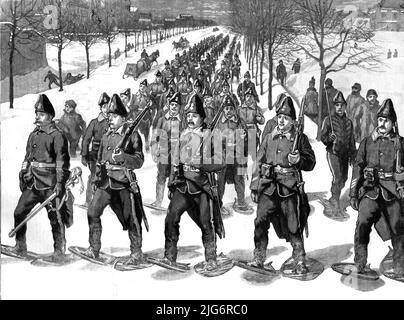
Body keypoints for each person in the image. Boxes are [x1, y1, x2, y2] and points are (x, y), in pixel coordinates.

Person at [250, 96, 316, 273]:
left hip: (288, 188)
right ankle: (259, 257)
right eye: (279, 116)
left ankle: (300, 259)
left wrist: (299, 160)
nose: (281, 120)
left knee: (293, 224)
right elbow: (258, 161)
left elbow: (311, 163)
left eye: (285, 118)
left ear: (293, 121)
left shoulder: (299, 139)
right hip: (268, 186)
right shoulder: (269, 137)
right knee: (260, 221)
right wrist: (255, 187)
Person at [163, 94, 225, 271]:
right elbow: (175, 163)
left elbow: (220, 161)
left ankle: (211, 259)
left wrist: (203, 163)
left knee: (206, 223)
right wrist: (171, 183)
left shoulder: (211, 135)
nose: (190, 118)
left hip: (201, 186)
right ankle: (169, 256)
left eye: (195, 115)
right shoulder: (182, 135)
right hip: (182, 185)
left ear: (202, 118)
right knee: (171, 219)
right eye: (188, 115)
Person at [84, 94, 147, 265]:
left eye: (114, 116)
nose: (110, 119)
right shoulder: (106, 136)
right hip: (105, 182)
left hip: (123, 182)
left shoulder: (133, 136)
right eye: (109, 116)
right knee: (92, 212)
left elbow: (139, 160)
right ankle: (94, 248)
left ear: (123, 118)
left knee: (132, 218)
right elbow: (99, 160)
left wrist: (123, 157)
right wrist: (96, 179)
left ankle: (136, 253)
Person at [11, 94, 71, 262]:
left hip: (50, 184)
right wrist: (23, 173)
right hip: (33, 182)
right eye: (37, 114)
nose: (37, 117)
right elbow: (27, 157)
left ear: (50, 117)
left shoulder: (57, 136)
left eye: (42, 114)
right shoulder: (33, 135)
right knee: (19, 212)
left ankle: (59, 251)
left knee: (55, 218)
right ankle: (20, 247)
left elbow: (62, 163)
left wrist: (60, 183)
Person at [349, 98, 404, 277]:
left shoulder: (400, 143)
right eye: (380, 120)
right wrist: (353, 193)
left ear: (393, 123)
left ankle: (399, 265)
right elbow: (357, 167)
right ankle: (360, 263)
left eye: (386, 121)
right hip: (370, 191)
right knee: (362, 224)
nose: (382, 124)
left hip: (392, 191)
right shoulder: (367, 142)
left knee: (398, 227)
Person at [320, 91, 356, 217]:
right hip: (333, 153)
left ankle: (334, 198)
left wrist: (353, 156)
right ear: (334, 107)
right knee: (337, 177)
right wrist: (329, 138)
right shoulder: (328, 120)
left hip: (345, 155)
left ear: (345, 106)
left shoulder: (349, 122)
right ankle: (334, 201)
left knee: (344, 179)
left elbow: (351, 141)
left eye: (342, 105)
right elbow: (322, 138)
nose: (339, 107)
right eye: (337, 105)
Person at [217, 95, 252, 214]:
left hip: (238, 157)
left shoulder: (240, 123)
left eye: (231, 108)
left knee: (240, 179)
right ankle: (218, 204)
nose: (228, 111)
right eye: (226, 108)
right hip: (223, 157)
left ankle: (241, 202)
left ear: (234, 109)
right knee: (220, 181)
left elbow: (247, 140)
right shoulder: (218, 123)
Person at [150, 92, 183, 207]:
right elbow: (155, 137)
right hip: (163, 151)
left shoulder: (182, 121)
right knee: (161, 176)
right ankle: (158, 201)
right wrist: (154, 151)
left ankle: (173, 204)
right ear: (169, 105)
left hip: (176, 153)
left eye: (176, 105)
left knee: (174, 177)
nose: (174, 107)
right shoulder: (162, 120)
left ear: (179, 107)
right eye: (172, 104)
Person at [81, 92, 110, 207]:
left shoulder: (115, 122)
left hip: (109, 154)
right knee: (94, 176)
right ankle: (88, 201)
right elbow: (86, 139)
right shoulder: (94, 122)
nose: (106, 109)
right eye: (104, 107)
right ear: (101, 108)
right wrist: (84, 155)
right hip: (95, 155)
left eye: (108, 106)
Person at [237, 87, 265, 155]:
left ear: (253, 98)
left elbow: (262, 121)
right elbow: (236, 121)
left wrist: (260, 118)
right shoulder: (240, 109)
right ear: (244, 97)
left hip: (252, 133)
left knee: (252, 154)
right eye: (247, 96)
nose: (248, 98)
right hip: (242, 133)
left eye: (250, 96)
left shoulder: (256, 109)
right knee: (242, 154)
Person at [130, 79, 152, 152]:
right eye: (141, 86)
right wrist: (134, 107)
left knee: (146, 135)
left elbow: (151, 108)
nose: (142, 87)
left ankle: (147, 148)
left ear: (146, 88)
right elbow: (130, 107)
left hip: (145, 118)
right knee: (134, 133)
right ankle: (135, 148)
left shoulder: (148, 97)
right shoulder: (134, 96)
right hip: (136, 117)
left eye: (144, 86)